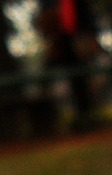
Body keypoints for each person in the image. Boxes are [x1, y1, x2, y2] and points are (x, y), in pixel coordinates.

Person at [39, 0, 102, 131]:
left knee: (83, 81)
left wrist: (90, 36)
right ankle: (60, 119)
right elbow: (44, 20)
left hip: (78, 39)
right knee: (64, 82)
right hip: (61, 43)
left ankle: (88, 115)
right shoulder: (48, 3)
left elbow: (87, 17)